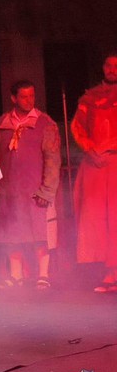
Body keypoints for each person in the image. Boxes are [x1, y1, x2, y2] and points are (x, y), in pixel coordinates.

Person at [0, 80, 61, 290]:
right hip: (10, 190)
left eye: (32, 96)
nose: (29, 100)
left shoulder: (45, 123)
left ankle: (43, 274)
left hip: (35, 189)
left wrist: (47, 190)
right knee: (12, 234)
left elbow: (53, 159)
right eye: (24, 97)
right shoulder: (2, 124)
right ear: (14, 98)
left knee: (40, 233)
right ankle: (16, 275)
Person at [71, 51, 117, 292]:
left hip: (115, 161)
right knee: (97, 218)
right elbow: (77, 127)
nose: (112, 70)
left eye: (116, 66)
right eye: (108, 65)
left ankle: (113, 272)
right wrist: (91, 150)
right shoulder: (90, 97)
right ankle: (107, 270)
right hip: (95, 164)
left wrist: (109, 147)